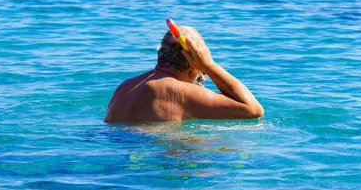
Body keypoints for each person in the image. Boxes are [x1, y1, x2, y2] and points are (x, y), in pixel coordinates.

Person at [104, 26, 264, 123]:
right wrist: (209, 65)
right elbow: (254, 110)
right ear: (193, 67)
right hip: (152, 163)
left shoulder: (126, 86)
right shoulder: (183, 93)